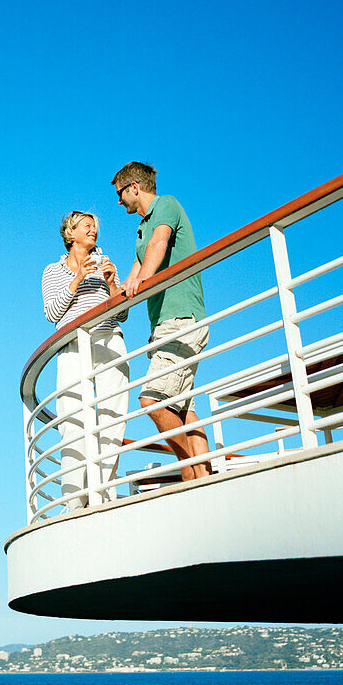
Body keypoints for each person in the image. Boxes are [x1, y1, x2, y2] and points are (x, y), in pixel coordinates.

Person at [111, 161, 212, 480]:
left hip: (181, 320)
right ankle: (206, 478)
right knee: (183, 409)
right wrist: (117, 287)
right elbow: (134, 276)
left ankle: (189, 469)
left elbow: (160, 243)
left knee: (151, 399)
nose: (119, 202)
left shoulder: (166, 206)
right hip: (162, 326)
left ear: (134, 188)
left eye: (120, 194)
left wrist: (141, 280)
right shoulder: (141, 229)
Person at [41, 211, 129, 510]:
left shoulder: (106, 263)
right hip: (72, 345)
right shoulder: (53, 270)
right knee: (73, 420)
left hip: (108, 339)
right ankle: (73, 500)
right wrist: (77, 279)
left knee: (112, 417)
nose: (94, 230)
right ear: (70, 232)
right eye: (87, 226)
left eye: (96, 226)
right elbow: (52, 314)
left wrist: (113, 286)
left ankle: (103, 493)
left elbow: (122, 314)